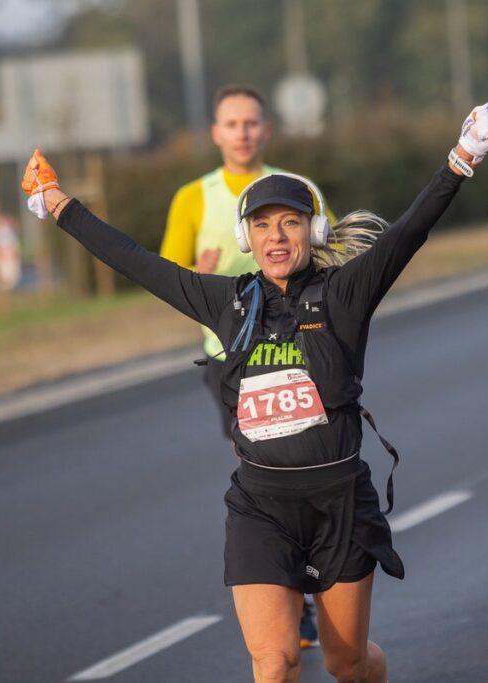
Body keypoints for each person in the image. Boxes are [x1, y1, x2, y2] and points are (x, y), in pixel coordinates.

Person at [21, 104, 488, 683]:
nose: (277, 236)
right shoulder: (228, 303)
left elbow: (408, 233)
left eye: (291, 223)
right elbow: (137, 261)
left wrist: (464, 157)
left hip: (340, 505)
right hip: (261, 508)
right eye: (264, 225)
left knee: (348, 663)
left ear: (313, 231)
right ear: (245, 237)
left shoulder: (344, 293)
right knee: (274, 662)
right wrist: (60, 205)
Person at [158, 83, 329, 649]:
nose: (242, 133)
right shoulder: (194, 197)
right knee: (255, 455)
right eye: (232, 124)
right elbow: (166, 274)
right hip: (228, 357)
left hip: (300, 350)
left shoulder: (292, 189)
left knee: (301, 451)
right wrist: (197, 268)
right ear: (216, 133)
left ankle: (313, 578)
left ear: (266, 130)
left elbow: (330, 259)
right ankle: (292, 588)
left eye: (251, 123)